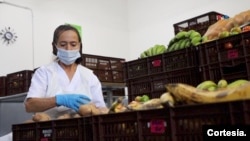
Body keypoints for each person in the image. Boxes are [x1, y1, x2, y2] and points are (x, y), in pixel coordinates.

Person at [24, 24, 108, 119]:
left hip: (84, 129)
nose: (68, 49)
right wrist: (58, 100)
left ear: (80, 46)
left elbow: (101, 109)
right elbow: (29, 105)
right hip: (49, 130)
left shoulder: (89, 76)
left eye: (73, 44)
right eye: (63, 45)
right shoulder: (44, 72)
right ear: (55, 46)